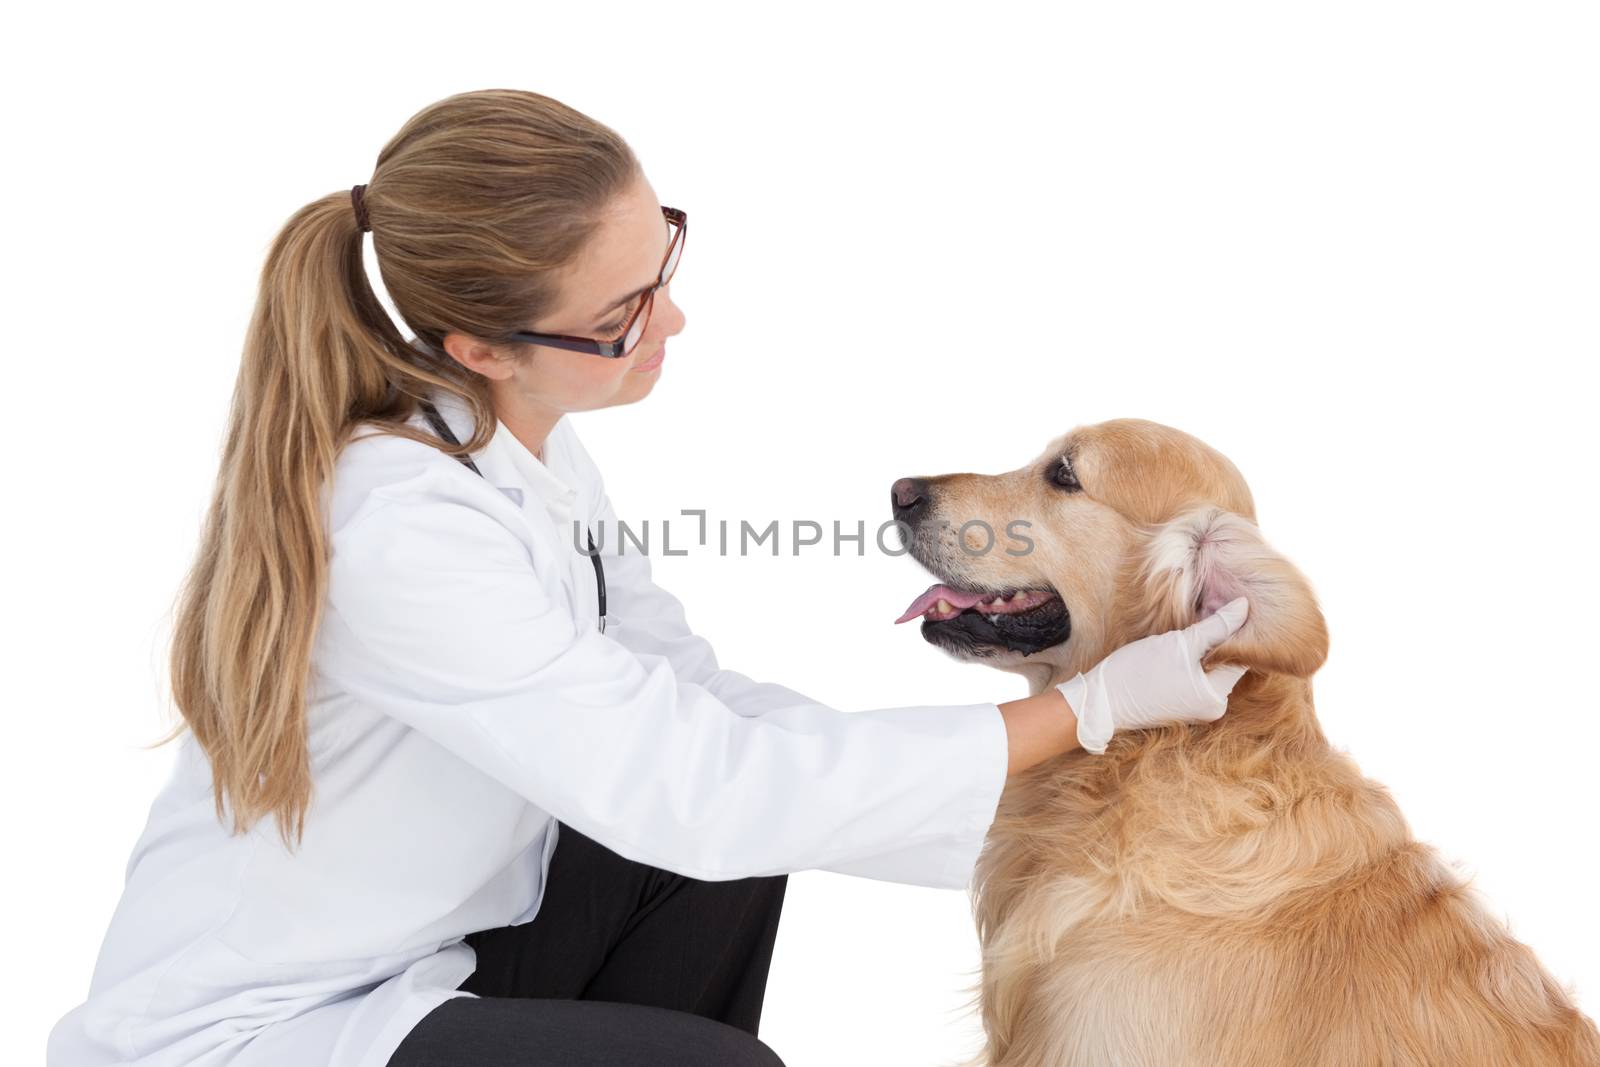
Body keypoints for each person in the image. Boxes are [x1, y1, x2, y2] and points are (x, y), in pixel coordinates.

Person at [47, 89, 1250, 1067]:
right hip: (265, 1028)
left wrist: (1104, 830)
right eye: (623, 311)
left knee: (717, 845)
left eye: (663, 257)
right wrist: (1079, 710)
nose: (675, 317)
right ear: (479, 347)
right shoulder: (400, 528)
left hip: (433, 951)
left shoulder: (525, 450)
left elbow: (701, 713)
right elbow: (696, 784)